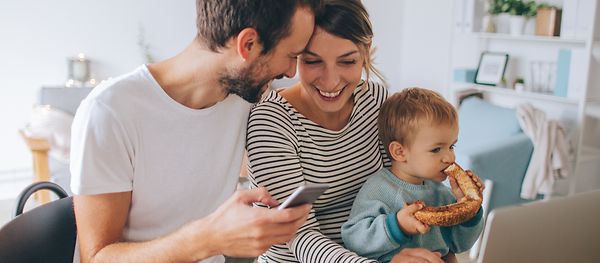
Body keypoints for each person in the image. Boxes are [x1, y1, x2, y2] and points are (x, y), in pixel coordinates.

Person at [69, 1, 321, 262]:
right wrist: (208, 238)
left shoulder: (245, 99)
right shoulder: (110, 112)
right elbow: (97, 257)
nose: (292, 71)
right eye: (292, 56)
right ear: (247, 44)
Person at [246, 1, 443, 262]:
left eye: (347, 61)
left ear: (366, 53)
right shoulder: (271, 122)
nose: (331, 81)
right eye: (313, 61)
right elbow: (299, 235)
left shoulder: (375, 101)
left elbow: (401, 186)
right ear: (295, 58)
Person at [341, 88, 485, 263]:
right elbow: (354, 240)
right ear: (400, 152)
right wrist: (397, 226)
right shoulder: (378, 189)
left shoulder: (442, 194)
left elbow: (461, 244)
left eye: (452, 146)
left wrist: (470, 210)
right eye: (436, 149)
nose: (450, 158)